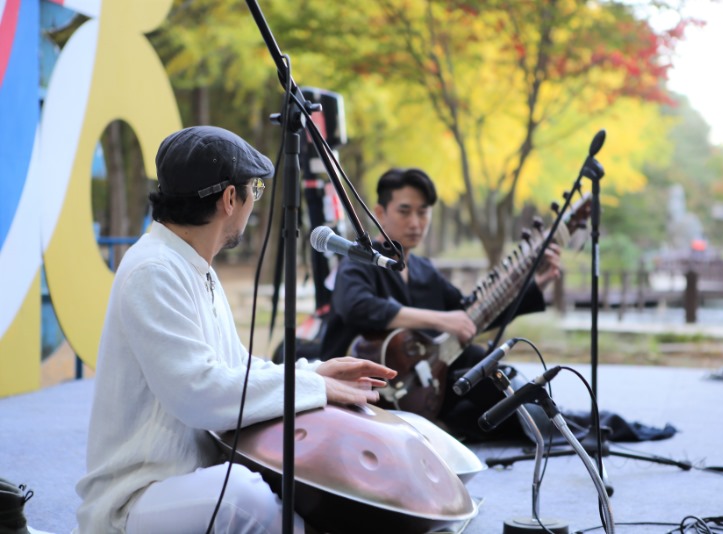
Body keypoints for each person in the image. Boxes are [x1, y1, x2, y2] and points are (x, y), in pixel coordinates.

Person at [74, 126, 396, 534]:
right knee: (240, 497)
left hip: (184, 479)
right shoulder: (154, 271)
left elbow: (236, 369)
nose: (253, 200)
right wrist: (313, 390)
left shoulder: (191, 265)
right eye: (254, 189)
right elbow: (199, 393)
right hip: (136, 497)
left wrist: (315, 373)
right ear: (230, 199)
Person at [320, 167, 561, 440]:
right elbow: (357, 306)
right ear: (380, 212)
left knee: (486, 369)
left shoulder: (424, 270)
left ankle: (554, 425)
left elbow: (470, 317)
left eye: (423, 212)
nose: (415, 222)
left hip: (421, 390)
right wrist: (439, 319)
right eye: (404, 211)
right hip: (362, 393)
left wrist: (536, 285)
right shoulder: (358, 260)